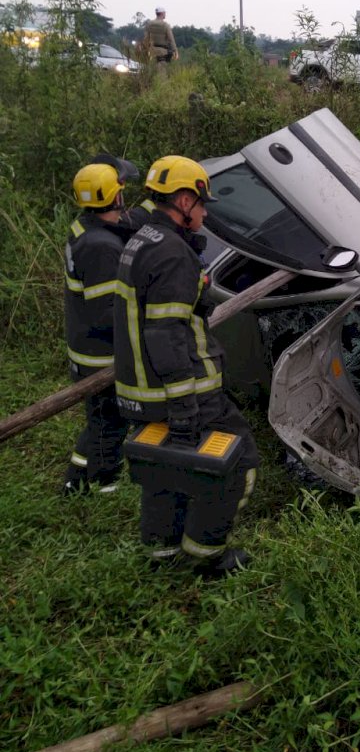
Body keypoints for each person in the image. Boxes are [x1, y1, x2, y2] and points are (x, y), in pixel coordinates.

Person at [113, 155, 257, 575]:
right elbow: (166, 334)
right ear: (181, 199)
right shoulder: (174, 254)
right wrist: (184, 407)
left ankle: (162, 556)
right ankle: (207, 557)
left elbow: (154, 313)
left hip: (140, 389)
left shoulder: (142, 240)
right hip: (183, 390)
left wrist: (196, 287)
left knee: (163, 471)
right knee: (237, 465)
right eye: (201, 202)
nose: (205, 211)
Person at [62, 160, 136, 494]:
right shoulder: (102, 247)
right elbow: (108, 312)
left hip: (83, 345)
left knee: (99, 419)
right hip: (99, 353)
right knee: (109, 421)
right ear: (114, 196)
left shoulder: (85, 229)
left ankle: (76, 476)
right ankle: (103, 484)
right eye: (121, 190)